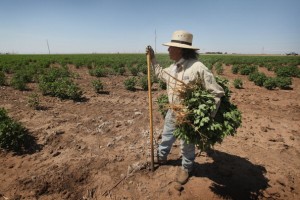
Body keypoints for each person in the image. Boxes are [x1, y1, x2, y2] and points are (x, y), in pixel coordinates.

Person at [147, 30, 225, 185]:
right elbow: (161, 74)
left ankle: (186, 168)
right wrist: (153, 59)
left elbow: (216, 92)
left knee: (187, 144)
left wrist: (205, 117)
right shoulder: (174, 67)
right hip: (173, 111)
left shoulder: (198, 67)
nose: (168, 50)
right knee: (167, 135)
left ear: (180, 49)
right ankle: (161, 157)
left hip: (189, 116)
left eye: (171, 47)